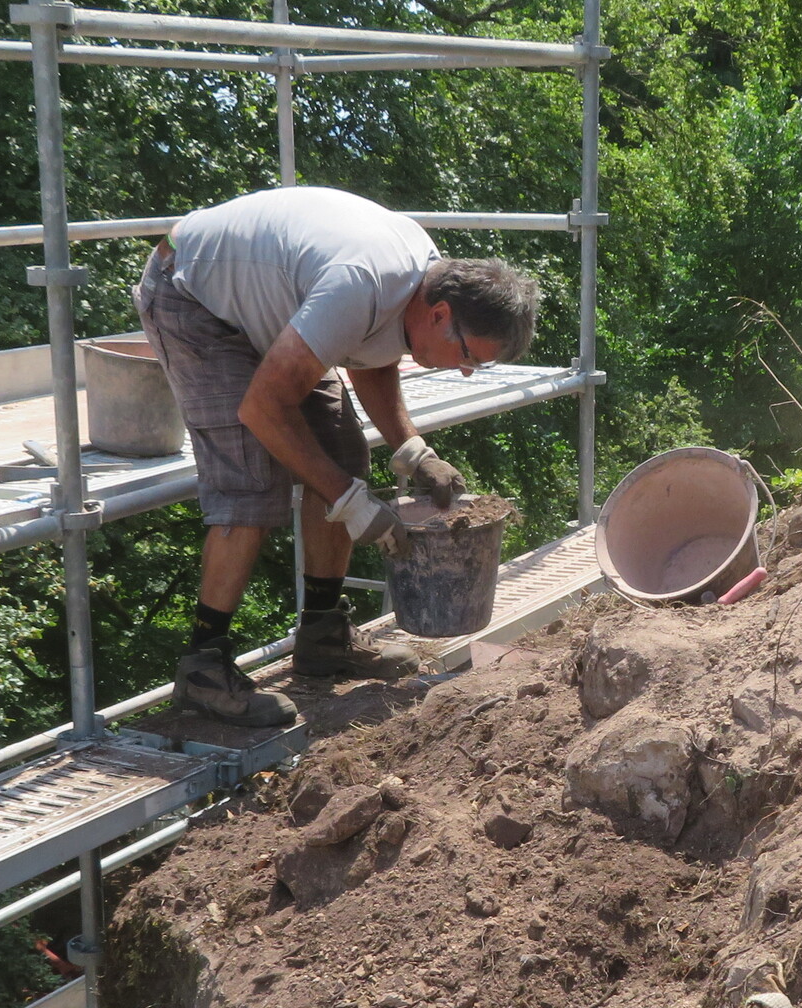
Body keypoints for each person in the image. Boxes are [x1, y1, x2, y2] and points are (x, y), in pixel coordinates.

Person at [132, 186, 542, 726]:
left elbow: (371, 353)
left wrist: (413, 450)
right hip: (192, 294)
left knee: (343, 455)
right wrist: (351, 504)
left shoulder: (419, 285)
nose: (466, 370)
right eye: (468, 355)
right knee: (251, 480)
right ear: (440, 313)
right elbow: (262, 407)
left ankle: (322, 635)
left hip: (269, 304)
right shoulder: (360, 284)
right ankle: (203, 666)